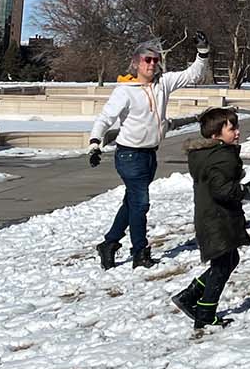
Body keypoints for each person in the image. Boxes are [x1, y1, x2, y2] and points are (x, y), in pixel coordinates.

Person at [88, 33, 211, 269]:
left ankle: (109, 243)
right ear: (136, 62)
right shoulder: (125, 90)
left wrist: (202, 52)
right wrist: (95, 143)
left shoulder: (162, 84)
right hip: (128, 155)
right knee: (141, 203)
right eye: (147, 60)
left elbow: (193, 75)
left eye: (155, 60)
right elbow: (105, 118)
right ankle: (140, 253)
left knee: (132, 203)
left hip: (149, 154)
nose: (152, 64)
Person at [171, 107, 250, 331]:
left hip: (210, 216)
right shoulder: (223, 156)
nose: (237, 132)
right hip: (218, 218)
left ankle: (190, 296)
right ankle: (204, 312)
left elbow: (218, 180)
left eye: (237, 126)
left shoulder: (207, 154)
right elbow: (222, 189)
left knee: (228, 260)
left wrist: (244, 179)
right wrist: (248, 192)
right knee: (222, 265)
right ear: (216, 134)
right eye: (232, 128)